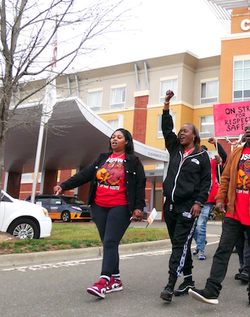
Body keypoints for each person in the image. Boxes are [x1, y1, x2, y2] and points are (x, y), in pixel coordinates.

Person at [189, 121, 250, 309]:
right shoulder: (236, 153)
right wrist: (219, 199)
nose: (248, 130)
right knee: (223, 251)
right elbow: (225, 178)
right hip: (234, 212)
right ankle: (211, 291)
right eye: (246, 128)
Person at [54, 128, 145, 299]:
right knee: (108, 244)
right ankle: (116, 280)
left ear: (126, 142)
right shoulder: (103, 158)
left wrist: (139, 207)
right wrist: (64, 185)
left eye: (119, 137)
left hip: (120, 206)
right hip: (99, 206)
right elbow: (84, 175)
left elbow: (140, 184)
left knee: (110, 242)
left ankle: (102, 282)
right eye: (112, 137)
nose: (114, 139)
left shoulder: (133, 161)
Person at [160, 90, 212, 302]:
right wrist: (166, 105)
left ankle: (171, 284)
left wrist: (199, 203)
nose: (181, 133)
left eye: (185, 131)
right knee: (179, 245)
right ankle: (188, 279)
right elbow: (166, 128)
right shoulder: (174, 149)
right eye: (180, 131)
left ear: (194, 136)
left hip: (188, 207)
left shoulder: (202, 155)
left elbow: (206, 182)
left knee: (179, 246)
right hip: (169, 206)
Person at [193, 137, 227, 260]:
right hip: (193, 199)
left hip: (207, 200)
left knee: (201, 225)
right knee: (192, 226)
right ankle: (200, 243)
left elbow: (223, 156)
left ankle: (201, 250)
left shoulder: (212, 163)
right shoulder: (193, 164)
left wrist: (216, 144)